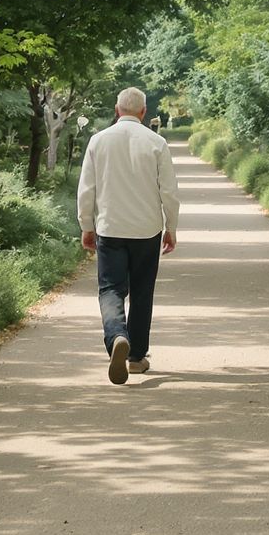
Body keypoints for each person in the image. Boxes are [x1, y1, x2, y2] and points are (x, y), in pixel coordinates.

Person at [77, 86, 180, 385]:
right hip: (147, 229)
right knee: (142, 291)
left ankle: (117, 337)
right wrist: (171, 227)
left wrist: (86, 225)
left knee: (110, 290)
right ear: (144, 112)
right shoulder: (156, 142)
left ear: (116, 109)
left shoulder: (99, 141)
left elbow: (87, 189)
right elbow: (169, 192)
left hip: (110, 228)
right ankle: (135, 358)